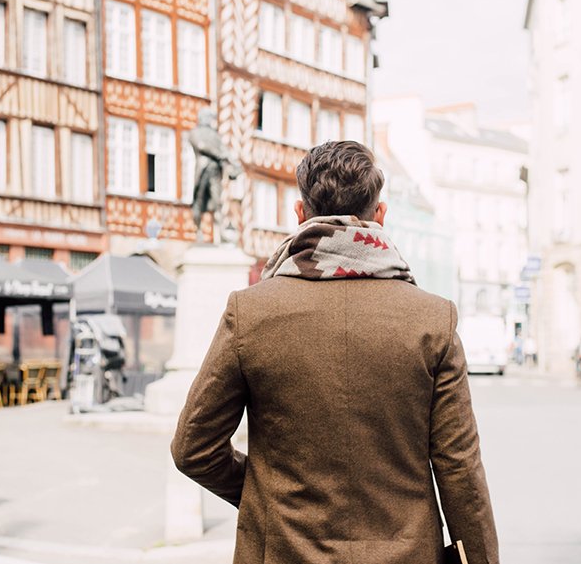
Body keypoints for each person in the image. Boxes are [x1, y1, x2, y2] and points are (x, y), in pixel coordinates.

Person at [171, 141, 499, 564]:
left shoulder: (250, 313)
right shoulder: (432, 320)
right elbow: (460, 473)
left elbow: (193, 449)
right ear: (380, 215)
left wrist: (264, 498)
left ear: (300, 215)